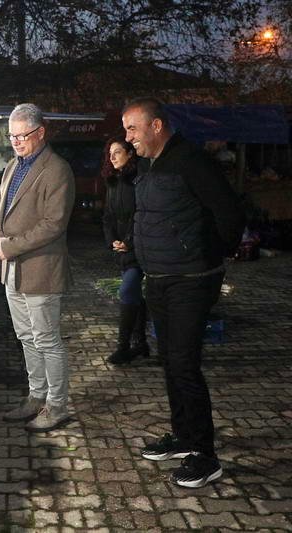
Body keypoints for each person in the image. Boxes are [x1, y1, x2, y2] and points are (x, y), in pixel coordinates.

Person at [122, 97, 244, 488]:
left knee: (185, 364)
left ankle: (206, 456)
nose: (128, 138)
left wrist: (210, 256)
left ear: (156, 126)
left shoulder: (191, 160)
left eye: (133, 129)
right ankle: (184, 437)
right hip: (159, 278)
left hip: (190, 280)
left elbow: (228, 211)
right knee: (170, 363)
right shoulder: (150, 164)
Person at [0, 103, 75, 431]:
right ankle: (36, 397)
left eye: (22, 135)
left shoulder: (57, 169)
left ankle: (57, 406)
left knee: (47, 339)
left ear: (40, 133)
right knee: (26, 337)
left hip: (41, 271)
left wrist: (9, 247)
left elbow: (54, 224)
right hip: (12, 270)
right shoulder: (14, 165)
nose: (16, 142)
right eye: (11, 136)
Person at [100, 136, 150, 365]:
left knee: (128, 291)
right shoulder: (112, 181)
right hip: (121, 249)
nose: (112, 157)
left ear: (130, 154)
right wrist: (113, 241)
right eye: (110, 154)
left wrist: (129, 241)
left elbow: (142, 212)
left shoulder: (139, 179)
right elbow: (108, 217)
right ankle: (141, 344)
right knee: (134, 295)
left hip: (140, 246)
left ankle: (123, 347)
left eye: (117, 152)